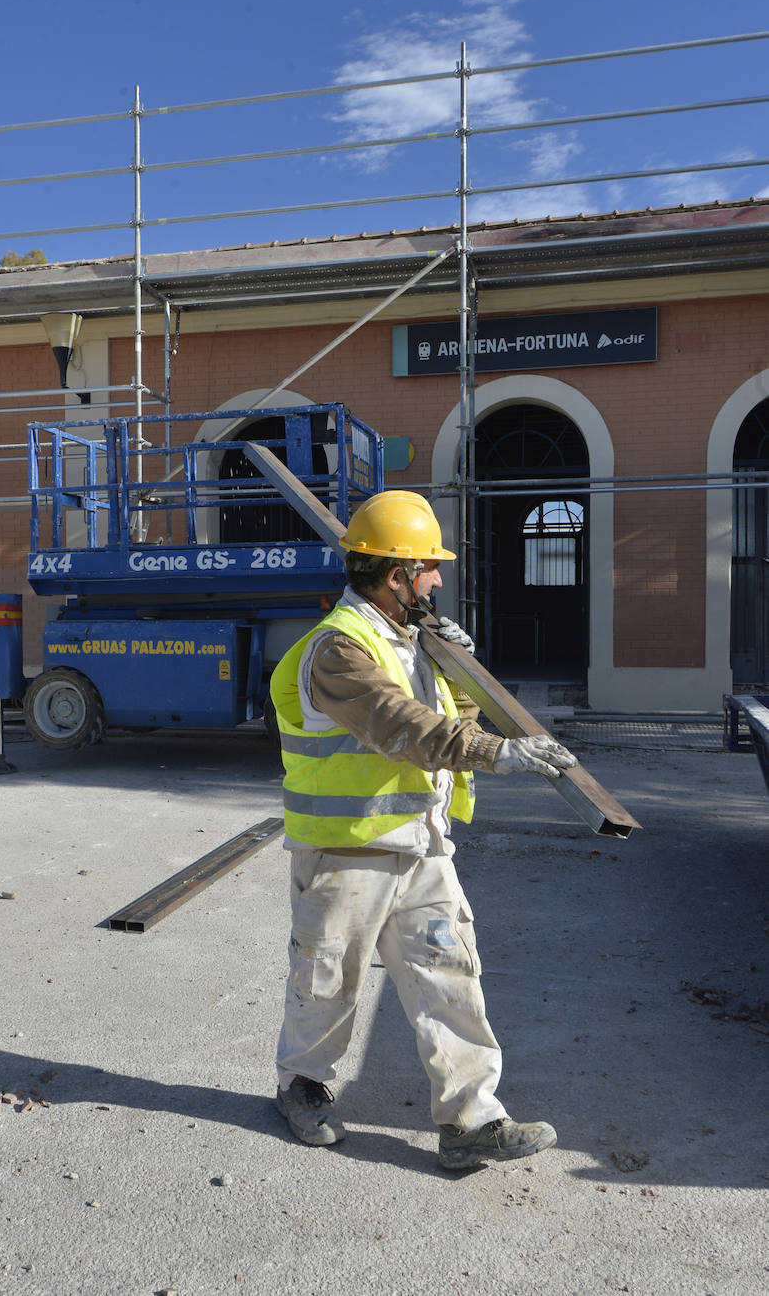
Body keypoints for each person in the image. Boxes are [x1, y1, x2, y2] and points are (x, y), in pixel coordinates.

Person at [269, 489, 577, 1170]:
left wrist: (454, 673)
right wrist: (500, 752)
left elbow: (447, 717)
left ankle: (472, 1119)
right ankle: (303, 1084)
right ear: (396, 576)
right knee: (328, 980)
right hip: (346, 851)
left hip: (421, 844)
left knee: (451, 976)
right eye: (427, 569)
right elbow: (399, 726)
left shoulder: (407, 640)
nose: (438, 580)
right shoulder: (338, 649)